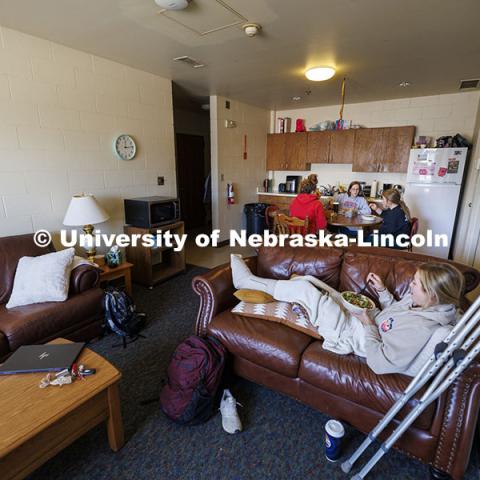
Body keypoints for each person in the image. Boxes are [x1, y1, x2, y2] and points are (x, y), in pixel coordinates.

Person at [231, 254, 464, 376]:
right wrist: (383, 291)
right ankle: (281, 293)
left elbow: (379, 363)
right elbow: (394, 315)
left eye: (415, 283)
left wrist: (368, 324)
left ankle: (247, 282)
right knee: (310, 283)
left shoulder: (422, 330)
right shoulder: (420, 302)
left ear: (433, 295)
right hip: (364, 320)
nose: (410, 285)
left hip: (353, 335)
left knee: (306, 291)